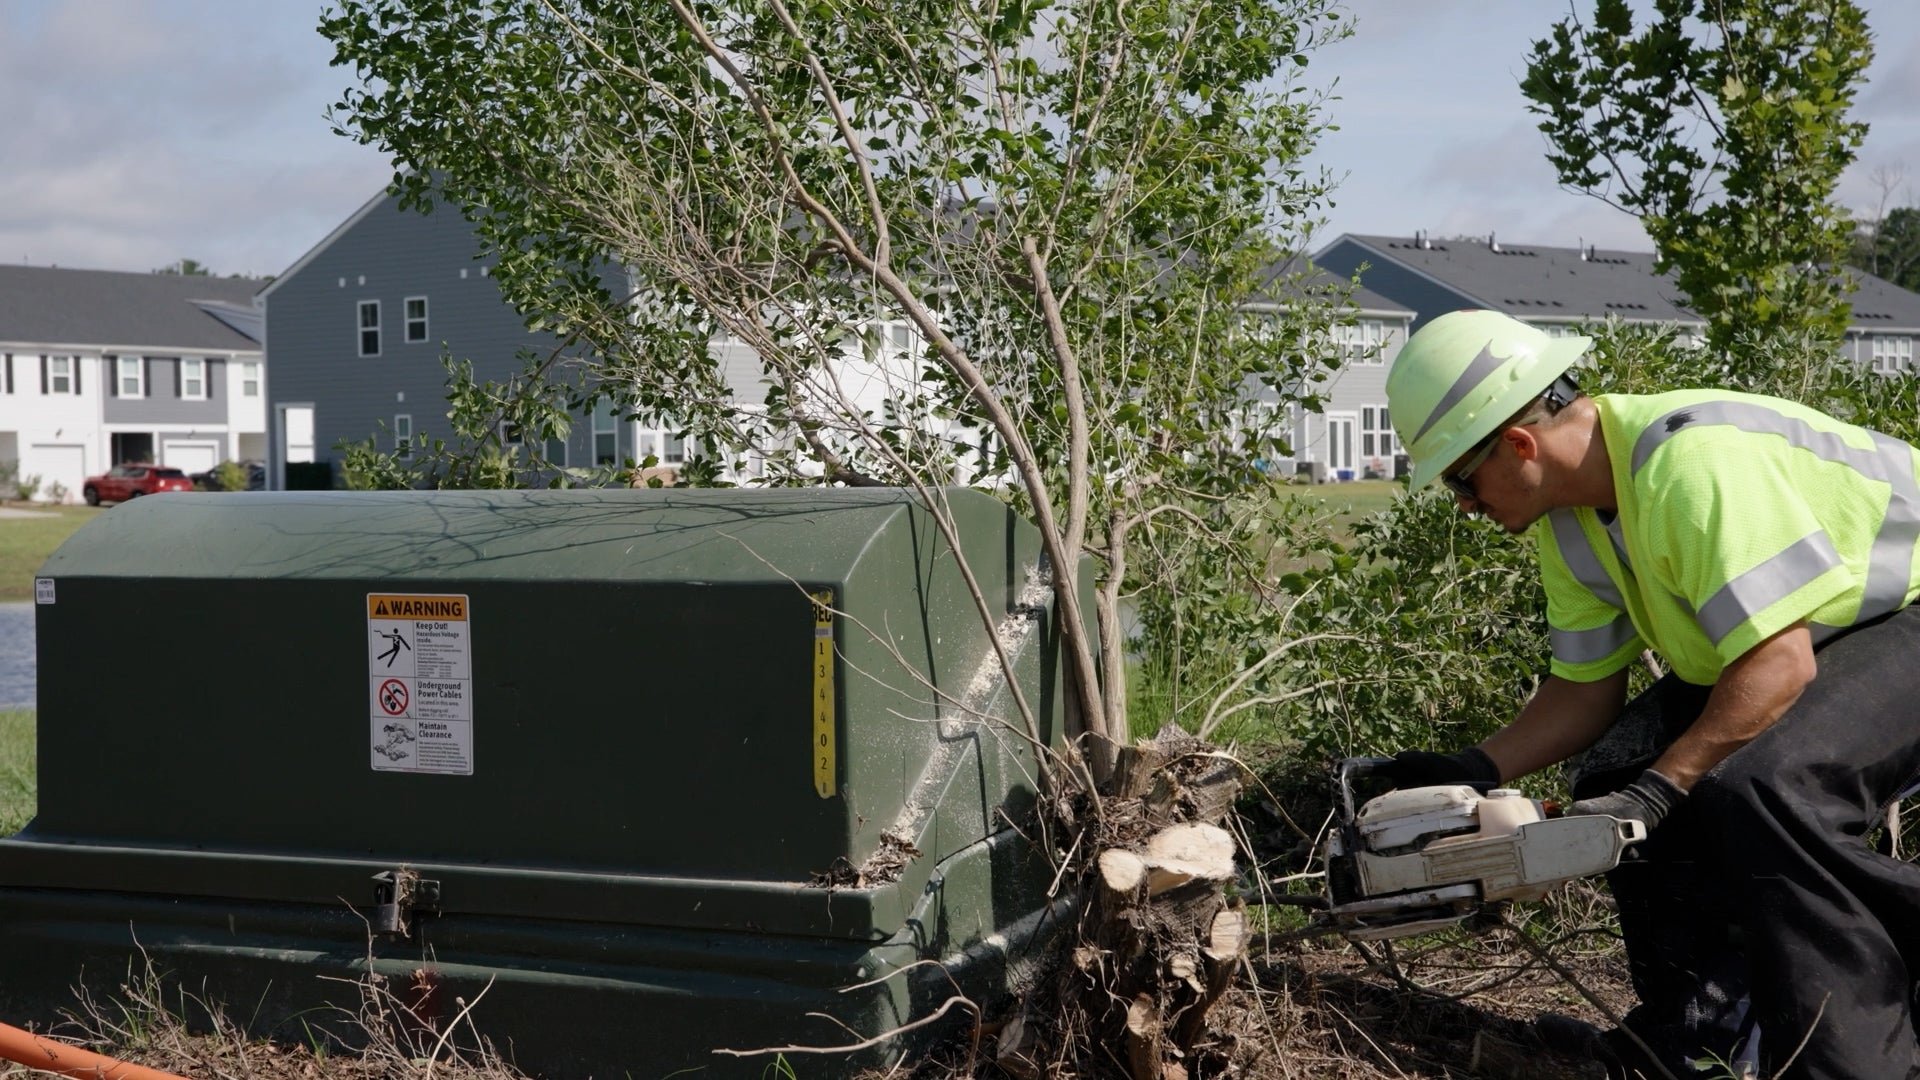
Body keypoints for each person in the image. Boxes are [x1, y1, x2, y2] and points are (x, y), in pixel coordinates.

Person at [1376, 309, 1920, 1080]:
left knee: (1765, 784)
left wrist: (1665, 787)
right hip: (1815, 637)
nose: (1464, 505)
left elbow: (1779, 664)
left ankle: (1853, 1065)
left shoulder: (1687, 465)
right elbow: (1583, 692)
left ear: (1520, 445)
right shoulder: (1570, 520)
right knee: (1614, 778)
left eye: (1462, 480)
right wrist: (1473, 765)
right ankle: (1694, 1041)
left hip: (1901, 617)